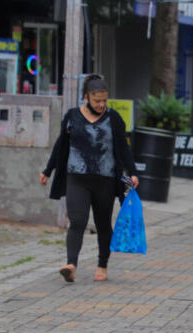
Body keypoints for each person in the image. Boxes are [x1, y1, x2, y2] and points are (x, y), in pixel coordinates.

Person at [40, 74, 139, 283]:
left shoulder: (114, 119)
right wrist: (48, 170)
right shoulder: (72, 117)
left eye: (105, 100)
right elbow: (61, 146)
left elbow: (123, 148)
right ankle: (71, 265)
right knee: (77, 221)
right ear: (86, 97)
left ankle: (102, 266)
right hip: (77, 178)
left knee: (103, 224)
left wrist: (132, 173)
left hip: (105, 180)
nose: (102, 104)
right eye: (97, 101)